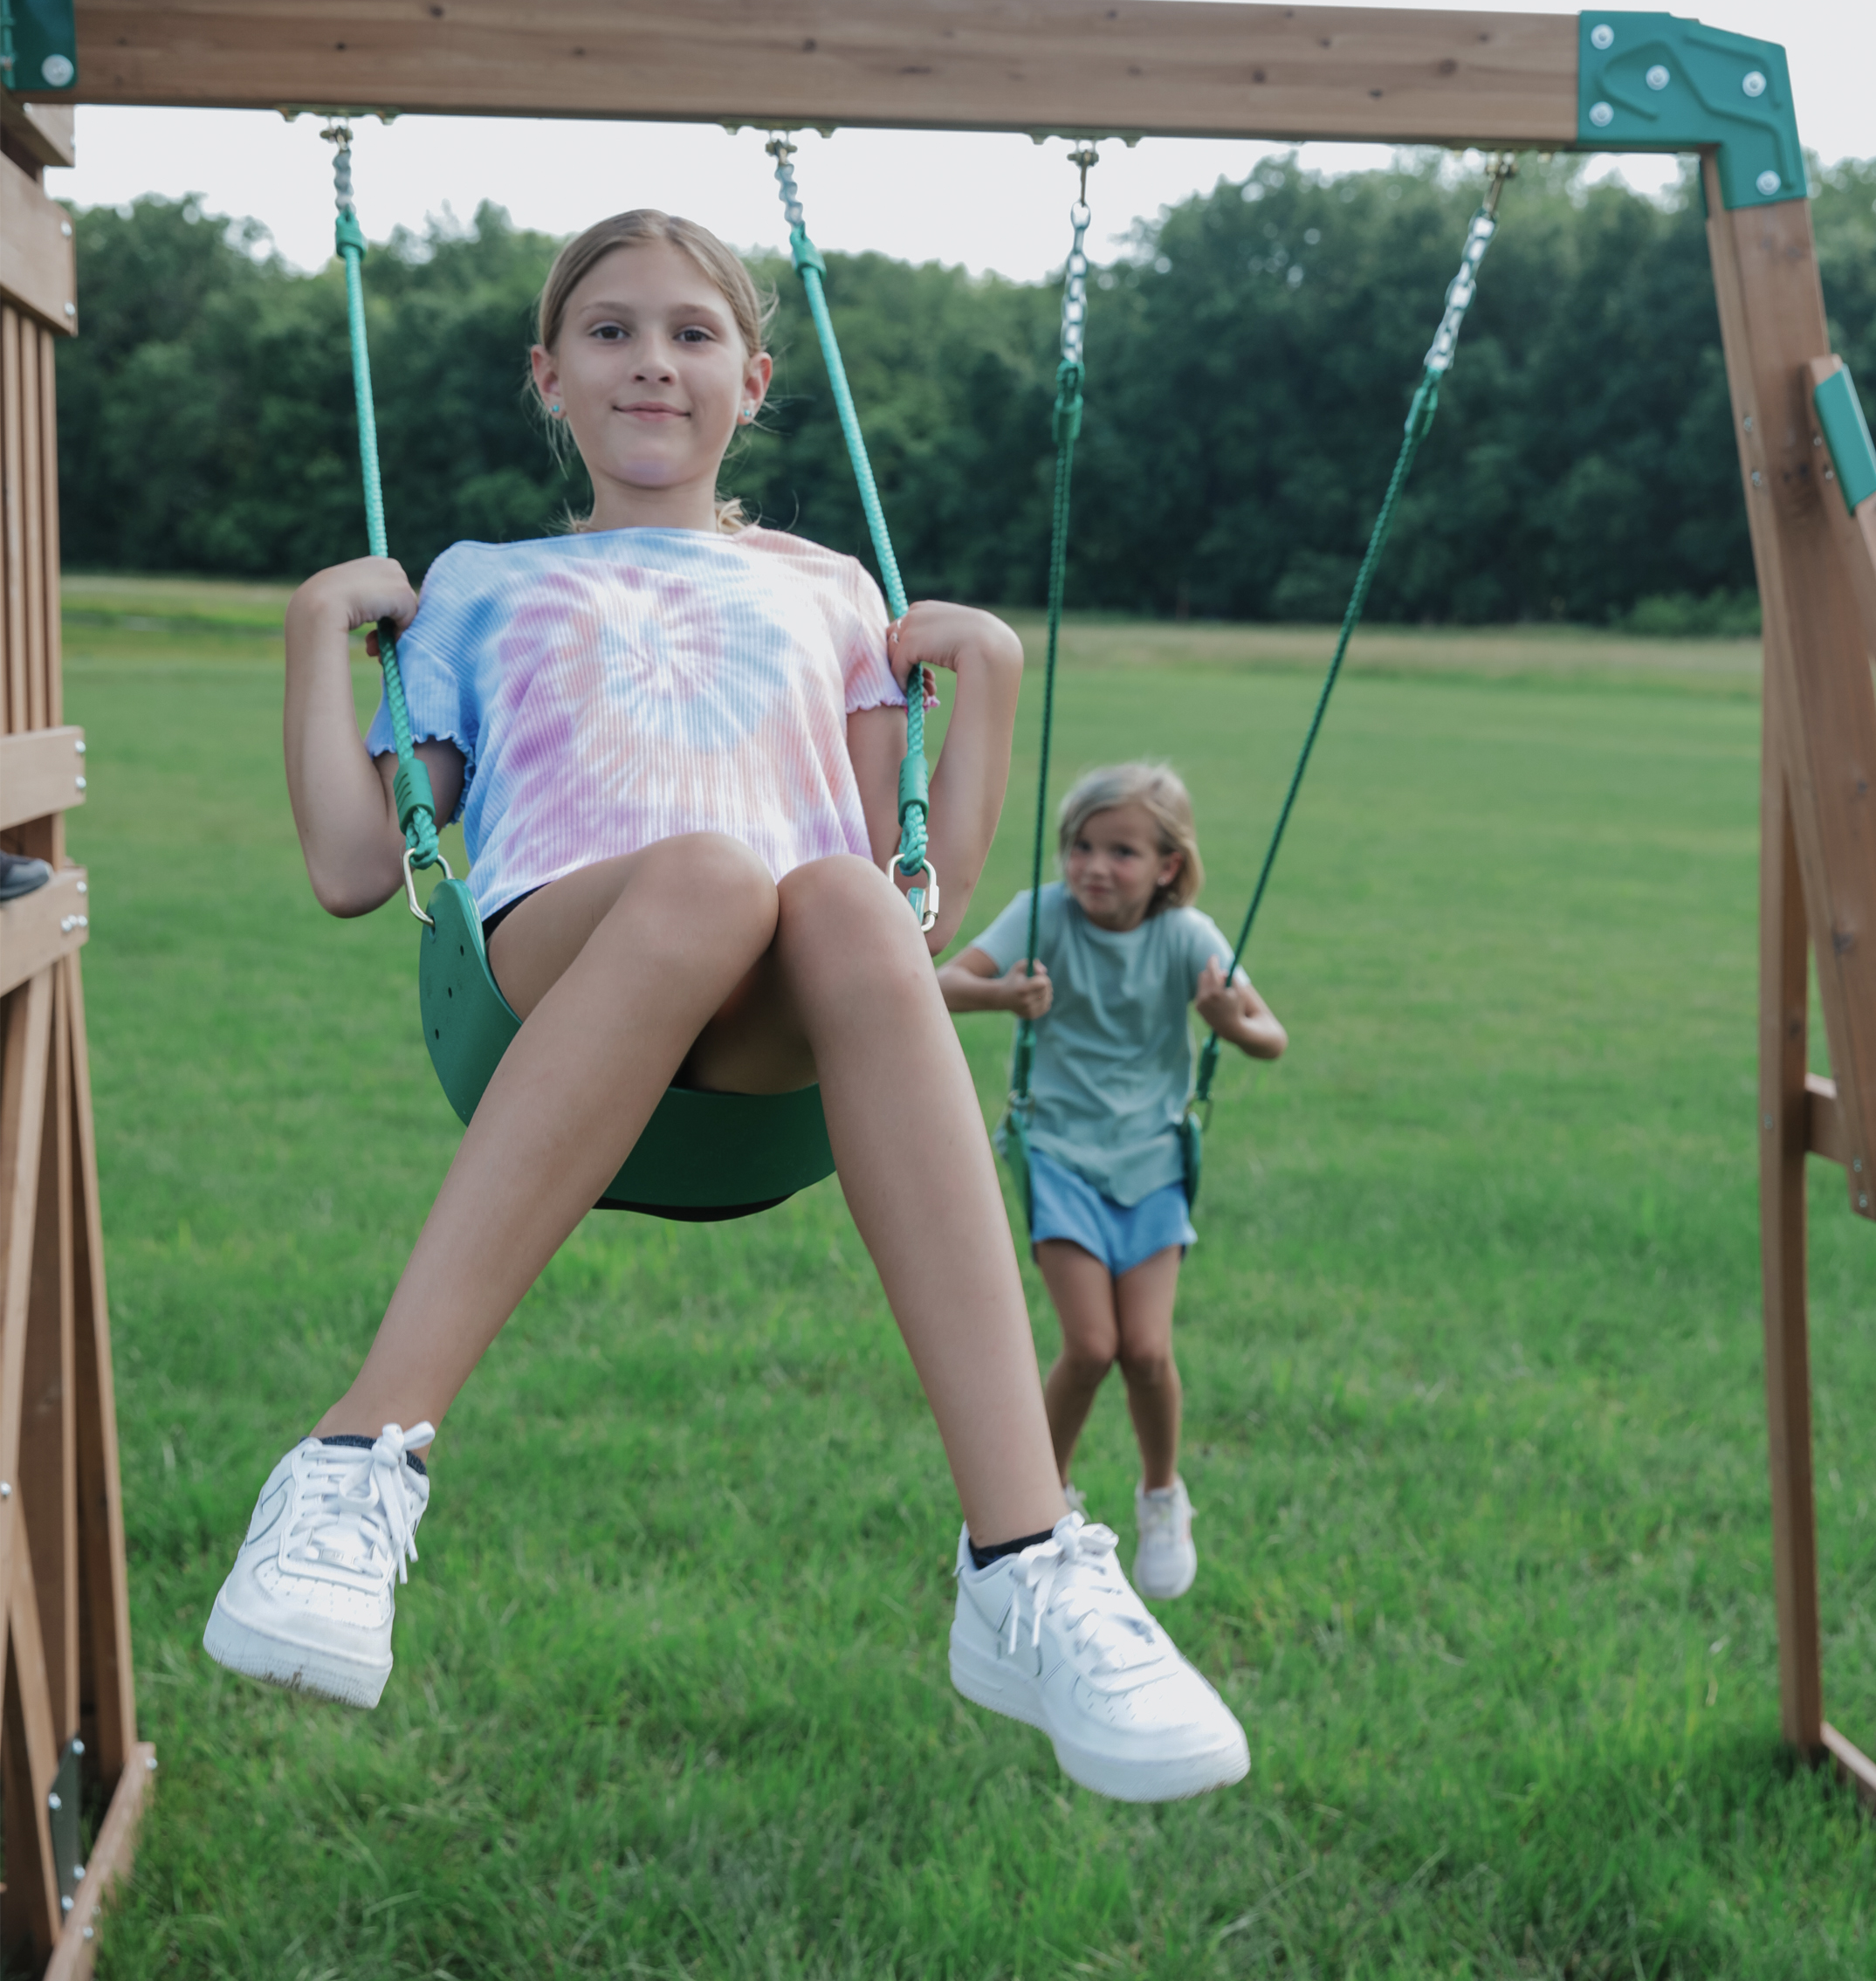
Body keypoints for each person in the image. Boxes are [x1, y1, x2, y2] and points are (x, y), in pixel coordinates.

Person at [202, 210, 1247, 1805]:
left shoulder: (831, 591)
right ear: (547, 375)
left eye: (691, 333)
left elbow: (914, 912)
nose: (651, 363)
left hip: (779, 1031)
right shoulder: (482, 587)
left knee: (826, 891)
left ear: (754, 378)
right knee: (700, 875)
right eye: (610, 331)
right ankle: (354, 1462)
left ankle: (1024, 1562)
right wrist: (309, 637)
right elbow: (359, 866)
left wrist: (996, 687)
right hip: (560, 968)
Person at [938, 763, 1286, 1600]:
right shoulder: (1044, 914)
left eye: (1121, 851)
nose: (1095, 866)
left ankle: (1162, 1494)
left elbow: (1271, 1036)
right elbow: (940, 981)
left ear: (1168, 865)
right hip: (1058, 1149)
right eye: (1081, 846)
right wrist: (1002, 997)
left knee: (1147, 1350)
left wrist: (1227, 1021)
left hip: (1152, 1159)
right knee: (1091, 1345)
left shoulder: (1188, 936)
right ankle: (1040, 1512)